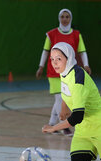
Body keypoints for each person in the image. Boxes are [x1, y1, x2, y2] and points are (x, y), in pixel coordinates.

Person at [36, 8, 91, 137]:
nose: (64, 19)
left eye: (67, 17)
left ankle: (52, 124)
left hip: (69, 72)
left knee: (63, 98)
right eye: (62, 16)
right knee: (60, 98)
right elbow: (45, 51)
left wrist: (86, 64)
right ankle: (64, 126)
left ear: (70, 18)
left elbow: (82, 51)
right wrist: (41, 66)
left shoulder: (76, 35)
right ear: (59, 18)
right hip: (55, 71)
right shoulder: (52, 34)